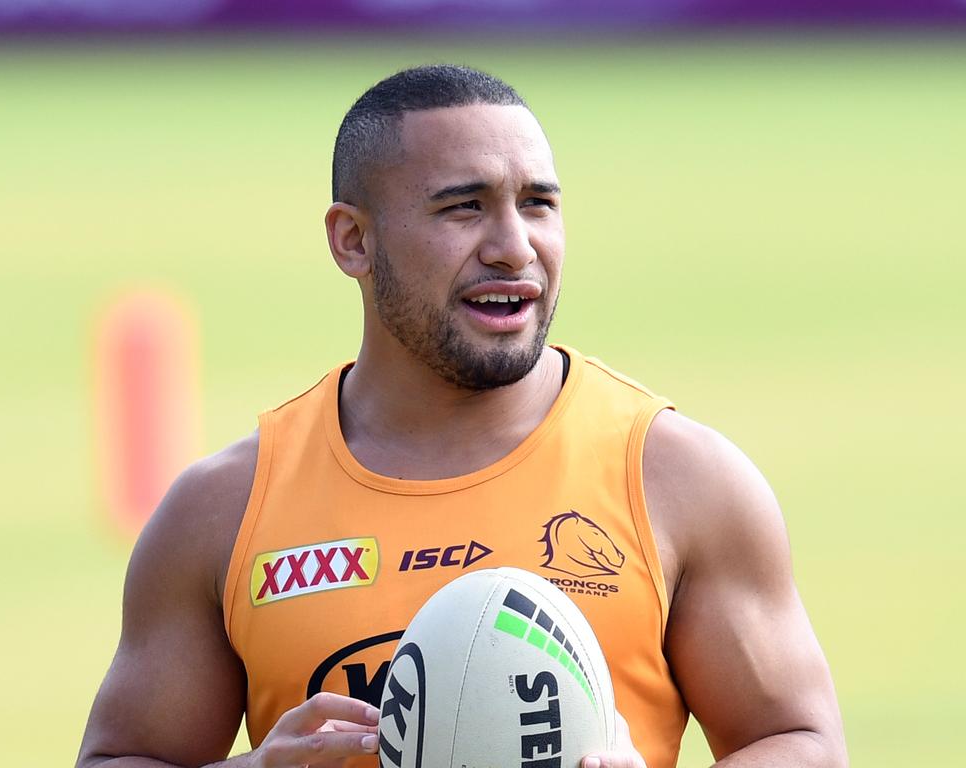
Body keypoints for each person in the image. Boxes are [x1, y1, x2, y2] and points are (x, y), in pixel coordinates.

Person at [76, 65, 846, 768]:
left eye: (538, 204)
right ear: (353, 241)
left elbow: (800, 742)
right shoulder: (224, 510)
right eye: (464, 208)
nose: (515, 248)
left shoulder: (677, 478)